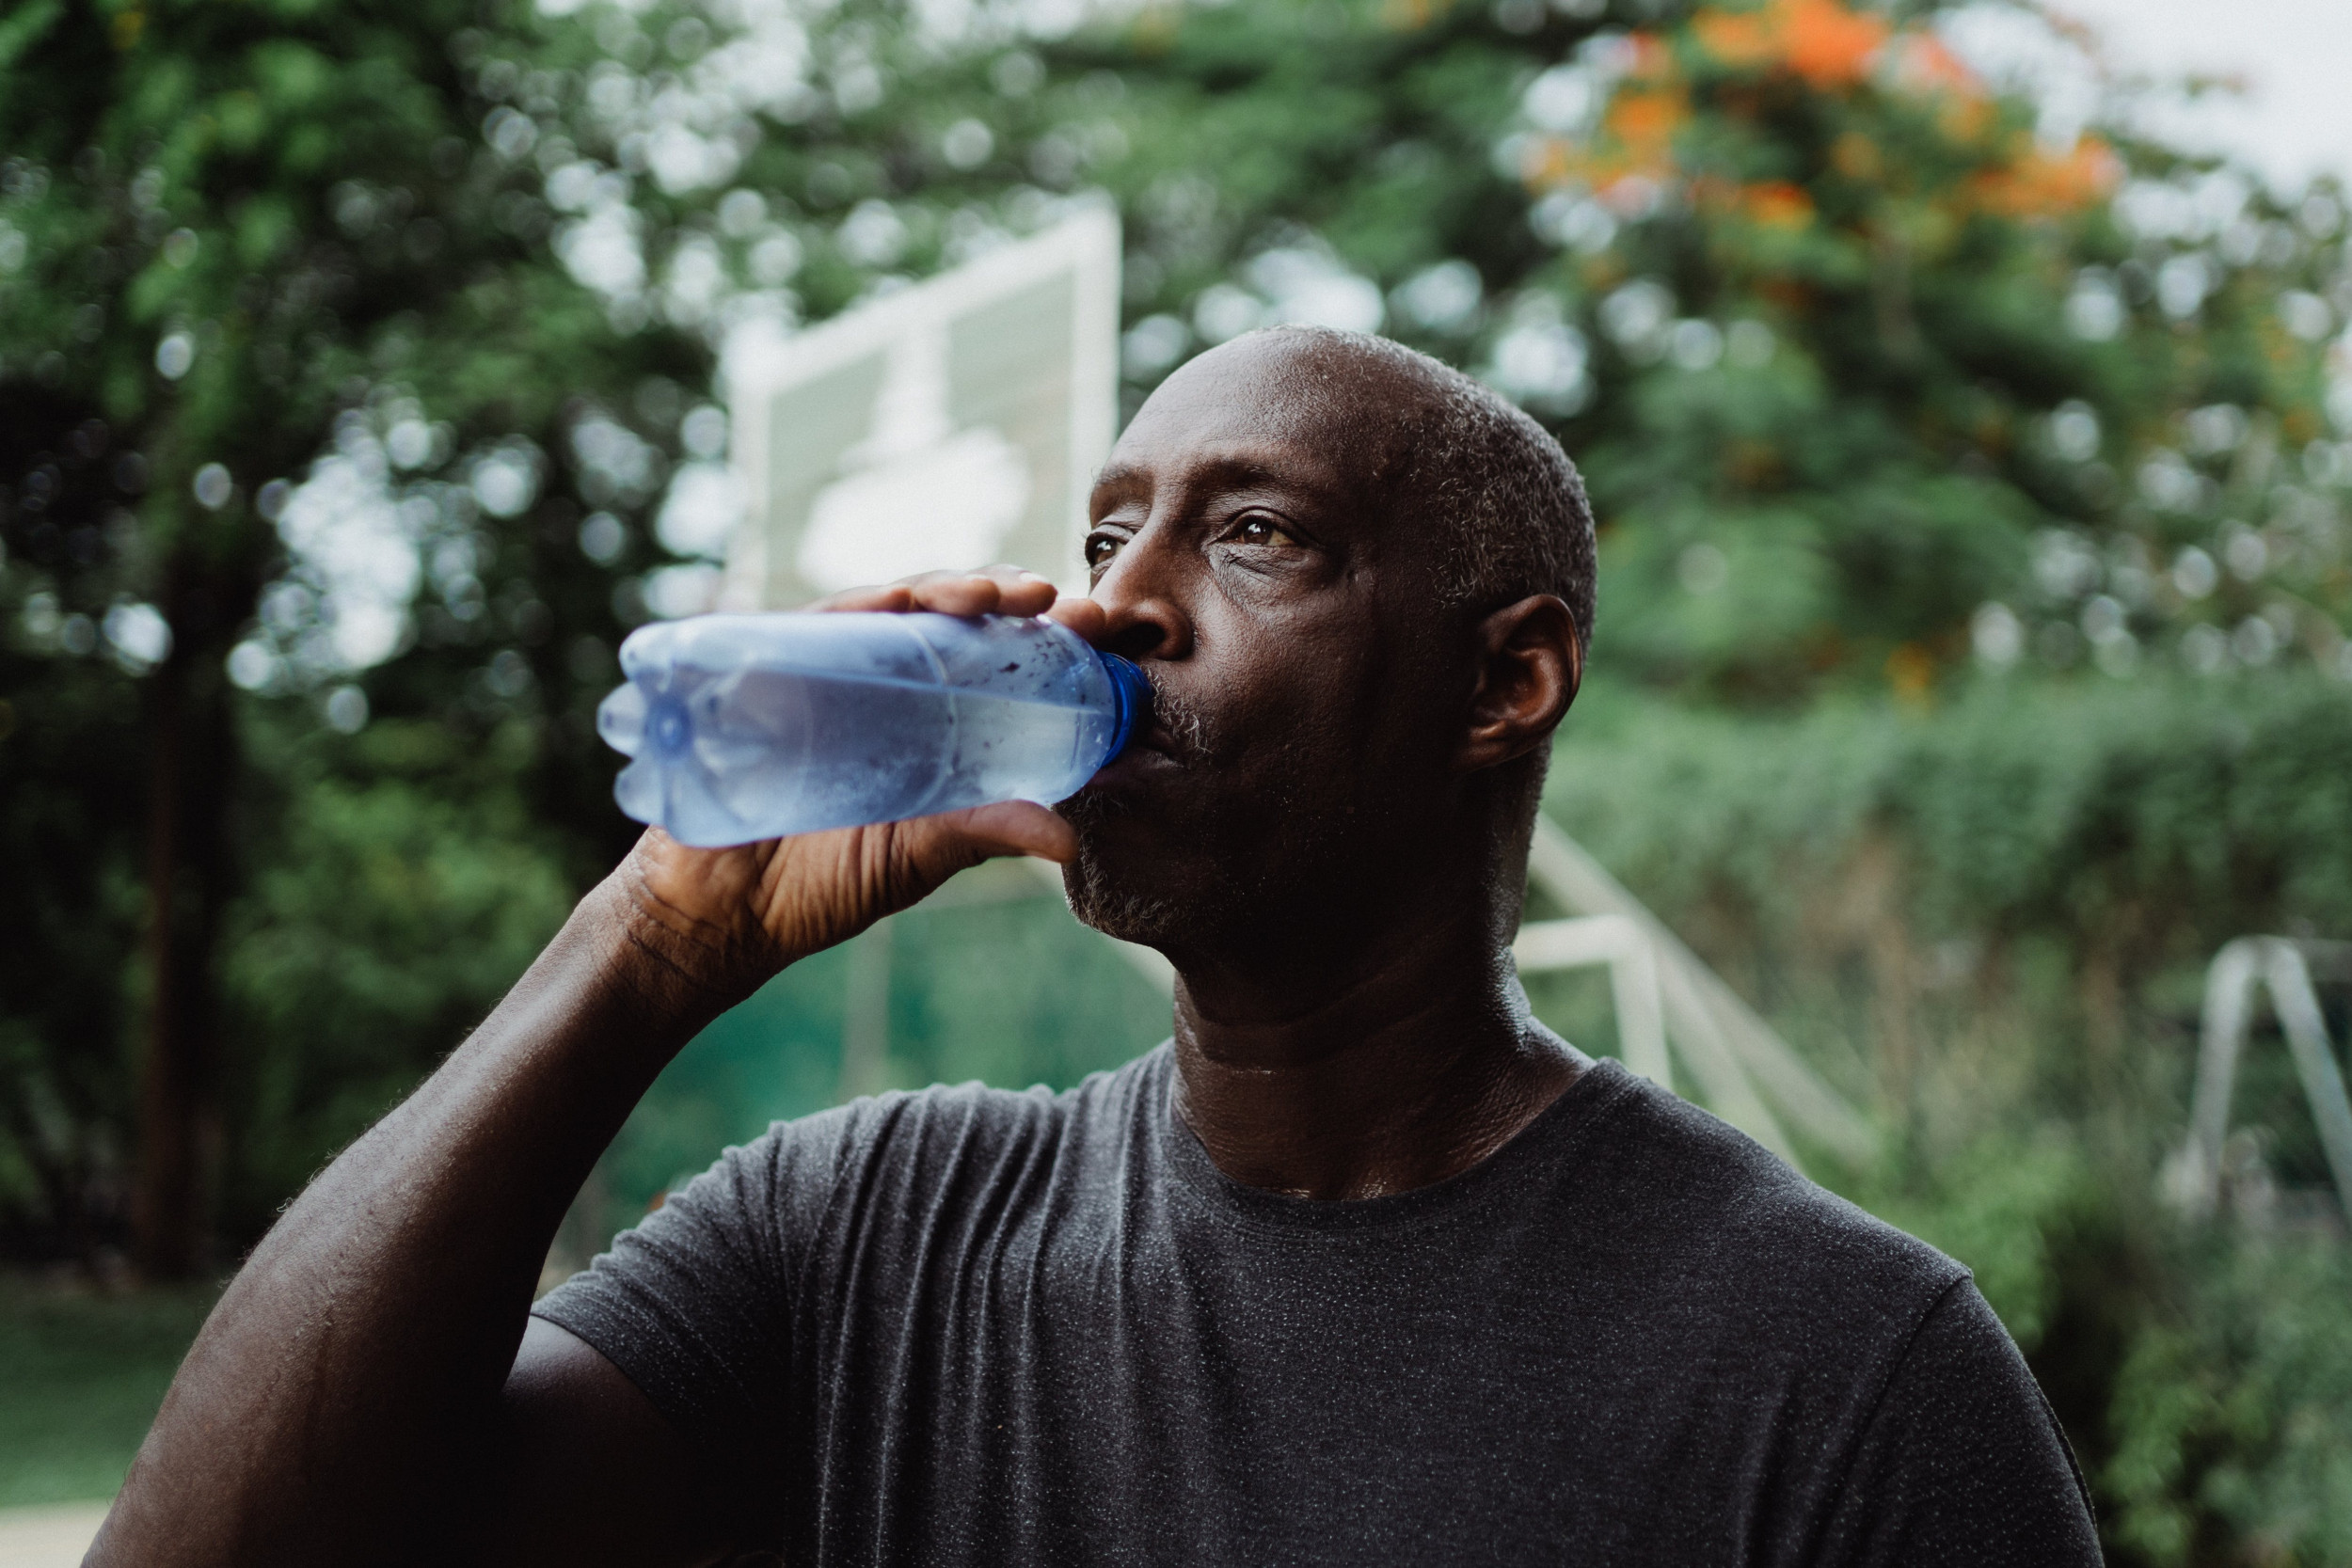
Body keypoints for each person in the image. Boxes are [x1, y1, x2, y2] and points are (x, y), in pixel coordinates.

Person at [93, 326, 2101, 1567]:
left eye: (1248, 538)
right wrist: (649, 939)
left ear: (1506, 680)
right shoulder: (863, 1236)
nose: (1107, 605)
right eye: (1107, 528)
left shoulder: (1837, 1371)